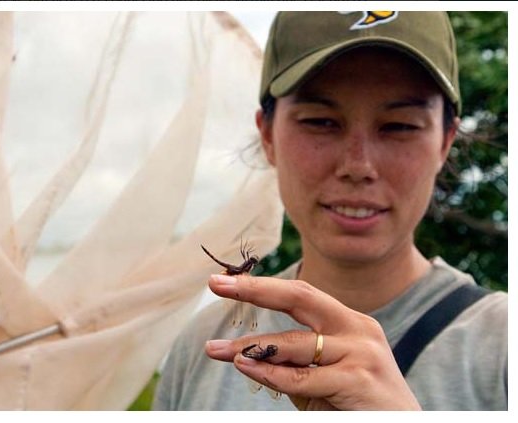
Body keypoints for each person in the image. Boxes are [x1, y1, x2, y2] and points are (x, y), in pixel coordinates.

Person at [152, 11, 507, 411]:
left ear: (445, 141)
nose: (358, 166)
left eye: (400, 126)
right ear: (267, 135)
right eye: (320, 121)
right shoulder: (202, 346)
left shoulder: (502, 349)